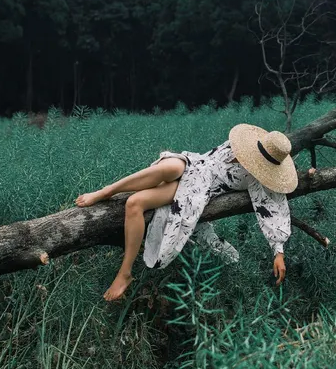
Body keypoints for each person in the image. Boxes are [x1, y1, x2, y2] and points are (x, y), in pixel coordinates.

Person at [75, 124, 298, 301]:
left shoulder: (262, 180)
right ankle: (105, 191)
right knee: (170, 167)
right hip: (194, 163)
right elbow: (208, 161)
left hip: (198, 188)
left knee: (134, 203)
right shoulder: (244, 143)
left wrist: (278, 252)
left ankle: (125, 272)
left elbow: (274, 209)